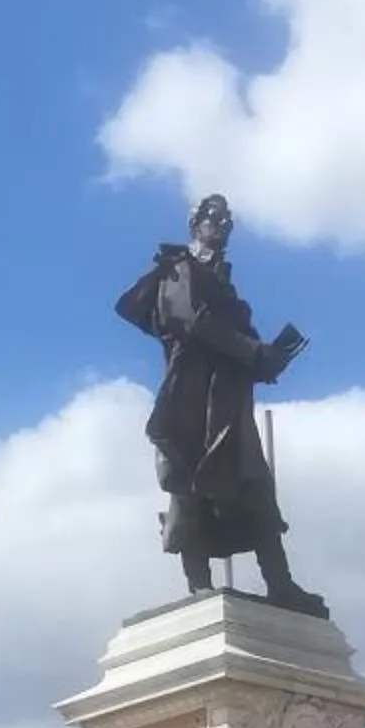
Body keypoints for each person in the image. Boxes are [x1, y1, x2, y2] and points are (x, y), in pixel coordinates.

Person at [114, 193, 321, 611]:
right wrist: (252, 351)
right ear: (195, 223)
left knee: (255, 484)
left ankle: (280, 583)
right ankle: (199, 584)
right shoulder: (178, 269)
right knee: (189, 485)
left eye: (228, 221)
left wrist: (267, 359)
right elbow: (191, 321)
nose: (223, 227)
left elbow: (232, 337)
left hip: (227, 398)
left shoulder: (223, 279)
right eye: (215, 219)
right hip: (190, 397)